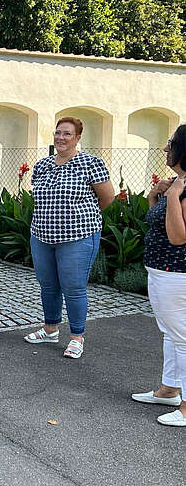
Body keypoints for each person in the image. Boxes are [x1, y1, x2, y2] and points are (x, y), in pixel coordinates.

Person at [24, 117, 114, 358]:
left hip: (78, 236)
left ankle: (76, 337)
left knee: (73, 288)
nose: (60, 138)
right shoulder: (43, 165)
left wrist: (82, 218)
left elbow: (107, 198)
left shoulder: (90, 163)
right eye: (57, 133)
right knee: (48, 286)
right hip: (41, 235)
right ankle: (50, 328)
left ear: (77, 138)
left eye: (67, 134)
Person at [131, 125, 186, 427]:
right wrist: (155, 197)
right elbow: (157, 224)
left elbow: (178, 237)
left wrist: (175, 197)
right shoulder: (177, 182)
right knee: (171, 333)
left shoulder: (184, 188)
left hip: (177, 274)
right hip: (162, 271)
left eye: (171, 143)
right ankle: (169, 390)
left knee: (183, 338)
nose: (166, 149)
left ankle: (185, 406)